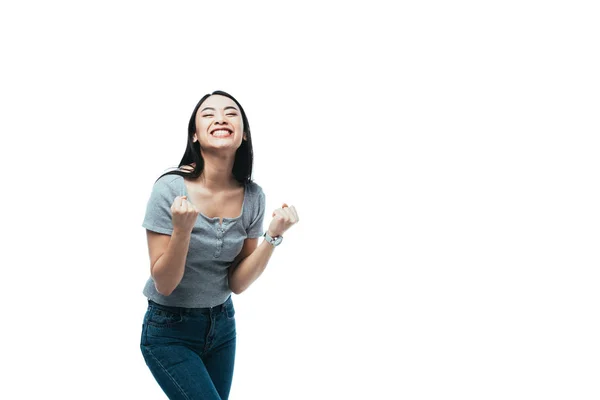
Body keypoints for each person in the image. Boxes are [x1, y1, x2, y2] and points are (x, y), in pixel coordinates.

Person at [139, 90, 299, 399]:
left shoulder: (253, 196)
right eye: (208, 114)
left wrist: (273, 236)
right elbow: (165, 284)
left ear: (244, 135)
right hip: (169, 331)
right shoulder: (169, 189)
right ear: (195, 135)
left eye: (231, 113)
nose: (220, 117)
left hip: (222, 326)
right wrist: (182, 231)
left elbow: (237, 283)